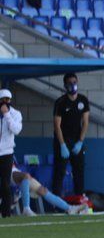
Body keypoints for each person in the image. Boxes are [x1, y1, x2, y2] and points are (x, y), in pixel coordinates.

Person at [52, 73, 90, 198]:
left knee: (79, 171)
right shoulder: (60, 102)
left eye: (74, 82)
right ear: (65, 85)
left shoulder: (83, 100)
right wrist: (62, 145)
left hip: (77, 140)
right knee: (60, 172)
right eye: (70, 83)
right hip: (62, 140)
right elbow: (57, 125)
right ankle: (56, 202)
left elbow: (85, 122)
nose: (73, 85)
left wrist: (80, 141)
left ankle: (80, 199)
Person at [10, 163, 89, 216]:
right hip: (6, 173)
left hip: (14, 170)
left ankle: (70, 208)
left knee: (42, 190)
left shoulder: (8, 144)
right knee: (25, 176)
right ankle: (26, 209)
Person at [0, 88, 22, 218]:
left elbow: (16, 129)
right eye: (2, 100)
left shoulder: (15, 113)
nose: (4, 102)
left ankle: (6, 213)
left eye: (7, 100)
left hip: (7, 153)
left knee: (5, 184)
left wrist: (7, 115)